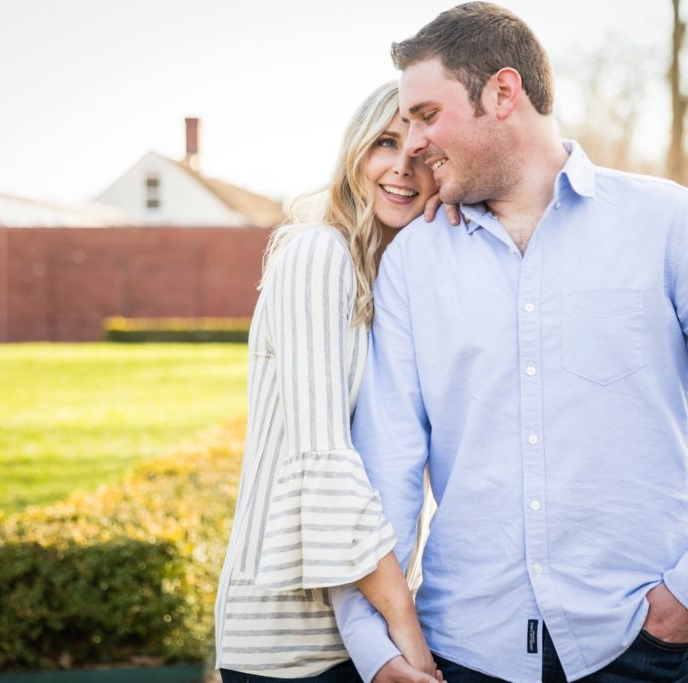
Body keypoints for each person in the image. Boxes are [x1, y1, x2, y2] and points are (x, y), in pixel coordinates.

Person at [331, 4, 688, 683]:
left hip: (634, 646)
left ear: (502, 92)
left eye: (427, 116)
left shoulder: (667, 222)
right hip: (464, 650)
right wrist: (374, 646)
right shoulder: (414, 263)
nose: (410, 146)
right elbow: (386, 471)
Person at [213, 81, 444, 683]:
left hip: (358, 622)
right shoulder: (320, 254)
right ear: (354, 154)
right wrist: (406, 631)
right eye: (386, 143)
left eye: (421, 153)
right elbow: (324, 462)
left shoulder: (382, 275)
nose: (402, 167)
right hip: (293, 637)